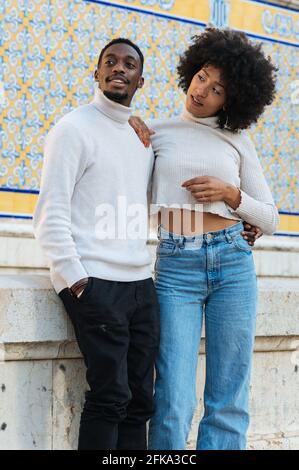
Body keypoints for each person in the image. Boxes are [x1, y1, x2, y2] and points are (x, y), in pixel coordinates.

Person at [129, 27, 279, 450]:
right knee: (173, 393)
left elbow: (270, 218)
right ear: (191, 72)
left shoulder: (237, 142)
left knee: (228, 395)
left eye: (217, 89)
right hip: (176, 265)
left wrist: (231, 195)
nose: (203, 91)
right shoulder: (153, 133)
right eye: (202, 78)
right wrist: (128, 123)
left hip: (232, 262)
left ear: (231, 100)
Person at [33, 38, 160, 450]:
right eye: (110, 61)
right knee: (110, 396)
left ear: (141, 81)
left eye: (129, 64)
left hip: (141, 285)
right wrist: (75, 278)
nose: (118, 68)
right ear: (97, 73)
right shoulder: (73, 128)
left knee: (140, 400)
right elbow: (50, 211)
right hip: (95, 283)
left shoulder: (143, 139)